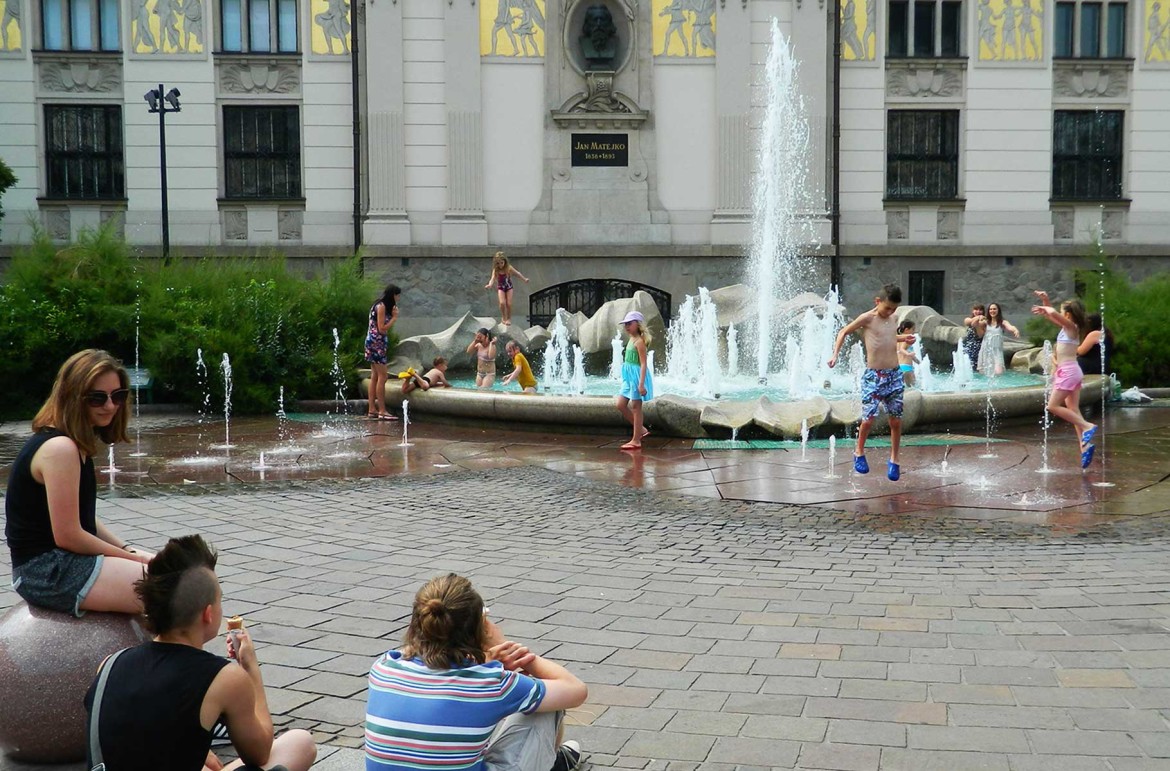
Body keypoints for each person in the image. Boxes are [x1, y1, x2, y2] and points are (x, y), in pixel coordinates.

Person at [84, 535, 317, 771]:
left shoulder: (110, 664)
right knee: (299, 743)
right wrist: (250, 668)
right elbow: (259, 754)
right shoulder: (224, 677)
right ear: (208, 614)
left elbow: (139, 732)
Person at [365, 574, 587, 771]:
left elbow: (436, 664)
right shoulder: (490, 682)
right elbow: (575, 690)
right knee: (544, 700)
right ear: (480, 628)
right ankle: (552, 762)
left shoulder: (385, 665)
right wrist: (509, 648)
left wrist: (488, 659)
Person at [5, 350, 153, 617]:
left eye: (117, 396)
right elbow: (70, 535)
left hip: (60, 563)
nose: (110, 406)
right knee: (172, 590)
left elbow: (85, 519)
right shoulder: (60, 448)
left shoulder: (74, 444)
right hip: (46, 571)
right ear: (73, 398)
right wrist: (133, 560)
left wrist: (129, 550)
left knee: (179, 579)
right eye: (97, 398)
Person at [827, 284, 915, 481]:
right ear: (878, 302)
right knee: (868, 419)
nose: (891, 312)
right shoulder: (867, 318)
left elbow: (890, 337)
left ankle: (894, 459)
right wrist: (835, 356)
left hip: (894, 375)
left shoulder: (893, 318)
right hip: (874, 376)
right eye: (887, 308)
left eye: (894, 309)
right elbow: (843, 332)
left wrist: (904, 337)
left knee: (896, 420)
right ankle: (859, 452)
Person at [1032, 291, 1098, 469]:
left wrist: (1048, 308)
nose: (1059, 315)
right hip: (1070, 371)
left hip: (1068, 372)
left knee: (1052, 406)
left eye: (1062, 312)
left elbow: (1052, 314)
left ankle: (1087, 426)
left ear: (1068, 315)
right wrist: (1045, 301)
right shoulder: (1065, 328)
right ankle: (1084, 447)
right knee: (1073, 409)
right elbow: (1051, 316)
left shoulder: (1072, 327)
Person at [615, 311, 654, 451]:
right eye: (625, 324)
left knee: (636, 407)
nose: (626, 327)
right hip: (629, 377)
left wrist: (641, 384)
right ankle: (641, 430)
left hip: (637, 377)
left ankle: (636, 440)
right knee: (620, 404)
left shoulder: (639, 342)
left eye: (629, 324)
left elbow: (643, 364)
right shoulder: (631, 340)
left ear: (638, 324)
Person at [365, 284, 401, 420]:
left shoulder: (378, 305)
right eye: (397, 295)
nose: (398, 298)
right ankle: (382, 411)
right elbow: (381, 328)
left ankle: (372, 410)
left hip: (373, 342)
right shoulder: (381, 307)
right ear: (393, 295)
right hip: (376, 344)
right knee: (383, 376)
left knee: (375, 376)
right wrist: (394, 318)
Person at [976, 302, 1021, 377]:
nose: (992, 311)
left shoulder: (1002, 322)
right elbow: (977, 329)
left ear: (998, 310)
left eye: (994, 309)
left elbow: (1010, 327)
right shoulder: (985, 322)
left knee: (998, 372)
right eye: (990, 309)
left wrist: (1015, 330)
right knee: (984, 373)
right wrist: (978, 320)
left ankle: (997, 387)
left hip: (997, 351)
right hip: (986, 350)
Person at [485, 251, 528, 327]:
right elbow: (492, 278)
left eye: (502, 263)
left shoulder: (508, 268)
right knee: (502, 303)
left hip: (509, 287)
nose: (500, 265)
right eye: (498, 263)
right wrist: (490, 285)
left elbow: (517, 273)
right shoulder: (496, 270)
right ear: (496, 263)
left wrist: (524, 279)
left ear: (504, 261)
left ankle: (509, 318)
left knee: (509, 303)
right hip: (501, 287)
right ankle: (504, 317)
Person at [962, 304, 986, 370]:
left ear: (983, 311)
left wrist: (977, 324)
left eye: (980, 310)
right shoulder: (968, 319)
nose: (978, 312)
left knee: (976, 367)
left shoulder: (985, 322)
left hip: (979, 347)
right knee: (966, 366)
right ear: (973, 311)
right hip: (967, 346)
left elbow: (980, 335)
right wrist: (978, 318)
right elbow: (969, 322)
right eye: (976, 310)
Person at [896, 320, 920, 388]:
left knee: (904, 388)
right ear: (906, 329)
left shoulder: (898, 339)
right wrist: (908, 354)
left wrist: (916, 360)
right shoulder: (907, 338)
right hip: (907, 367)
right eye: (913, 329)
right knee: (914, 388)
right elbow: (902, 349)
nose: (914, 331)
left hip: (899, 366)